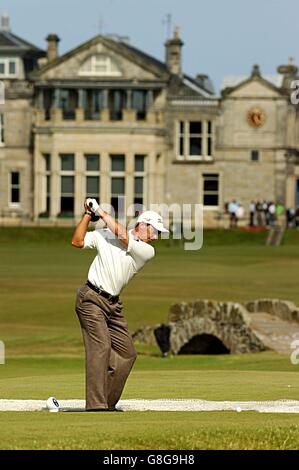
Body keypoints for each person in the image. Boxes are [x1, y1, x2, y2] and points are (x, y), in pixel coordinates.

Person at [71, 199, 169, 411]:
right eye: (155, 231)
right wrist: (89, 215)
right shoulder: (105, 235)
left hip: (113, 305)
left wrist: (100, 211)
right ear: (142, 224)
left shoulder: (146, 251)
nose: (155, 236)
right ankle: (96, 405)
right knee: (102, 347)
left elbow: (123, 236)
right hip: (90, 299)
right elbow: (77, 241)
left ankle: (107, 402)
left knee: (127, 354)